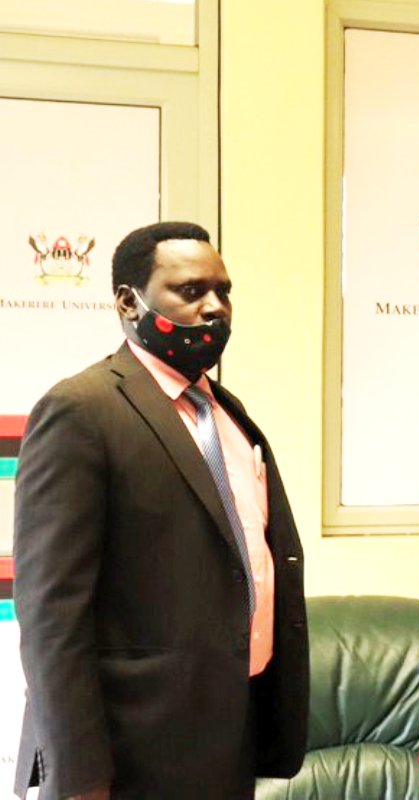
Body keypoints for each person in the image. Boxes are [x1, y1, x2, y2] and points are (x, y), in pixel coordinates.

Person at [12, 222, 309, 799]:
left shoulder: (226, 411)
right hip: (125, 757)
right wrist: (79, 777)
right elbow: (52, 612)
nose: (214, 307)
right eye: (191, 291)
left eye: (223, 291)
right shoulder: (81, 411)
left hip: (226, 739)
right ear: (129, 302)